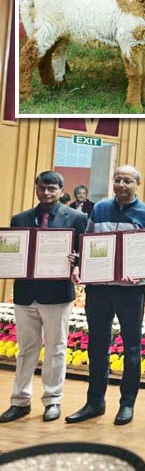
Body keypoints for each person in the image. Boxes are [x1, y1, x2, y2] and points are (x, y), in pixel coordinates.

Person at [66, 165, 145, 426]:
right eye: (117, 179)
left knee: (131, 348)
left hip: (131, 291)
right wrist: (79, 265)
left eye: (127, 180)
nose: (121, 185)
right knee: (97, 346)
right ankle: (94, 402)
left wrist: (140, 273)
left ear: (138, 184)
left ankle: (127, 404)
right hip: (98, 288)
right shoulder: (99, 209)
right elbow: (87, 242)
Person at [0, 171, 87, 424]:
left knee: (56, 348)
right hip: (25, 293)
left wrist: (77, 261)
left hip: (58, 293)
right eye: (42, 188)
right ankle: (19, 401)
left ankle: (53, 400)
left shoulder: (78, 218)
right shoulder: (20, 219)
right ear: (36, 189)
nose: (46, 193)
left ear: (61, 190)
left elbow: (85, 254)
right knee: (26, 349)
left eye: (52, 188)